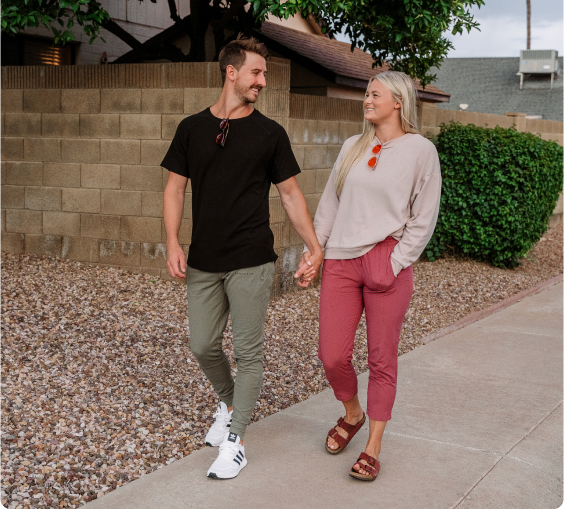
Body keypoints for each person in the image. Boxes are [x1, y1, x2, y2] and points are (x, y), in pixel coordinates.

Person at [161, 35, 322, 480]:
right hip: (203, 259)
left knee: (249, 353)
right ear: (231, 72)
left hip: (252, 258)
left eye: (264, 73)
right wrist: (173, 242)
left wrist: (314, 245)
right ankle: (230, 404)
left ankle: (236, 442)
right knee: (203, 344)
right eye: (256, 72)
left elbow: (289, 194)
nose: (263, 81)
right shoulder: (191, 128)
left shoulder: (270, 134)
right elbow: (174, 188)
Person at [299, 71, 441, 481]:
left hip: (386, 260)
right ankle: (352, 413)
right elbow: (328, 205)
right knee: (332, 355)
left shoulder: (420, 151)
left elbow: (423, 216)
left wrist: (395, 262)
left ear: (398, 101)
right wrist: (316, 253)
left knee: (381, 359)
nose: (366, 99)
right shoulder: (352, 146)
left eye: (374, 94)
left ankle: (373, 446)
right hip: (342, 261)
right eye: (366, 92)